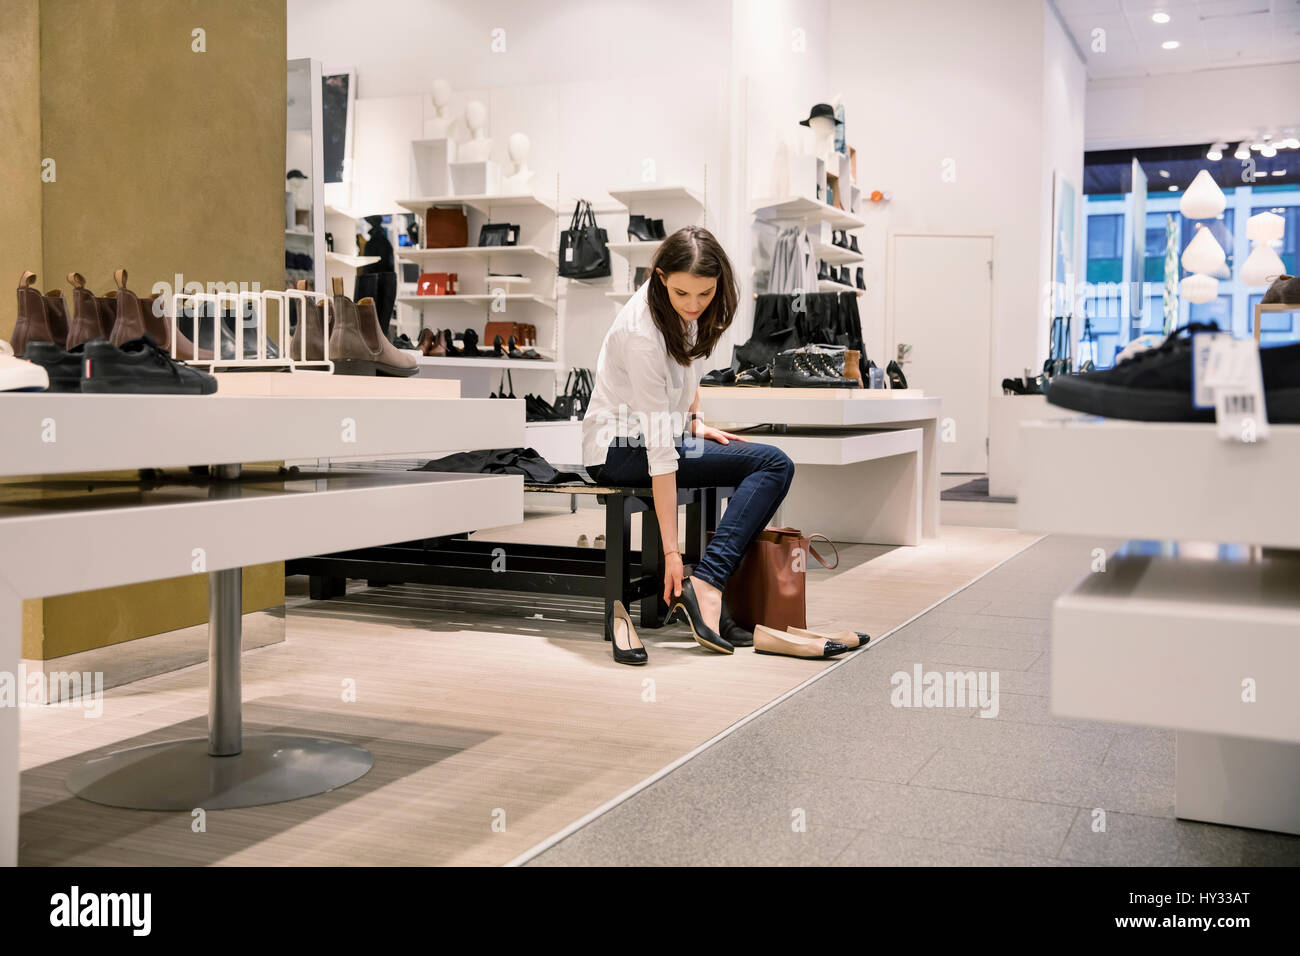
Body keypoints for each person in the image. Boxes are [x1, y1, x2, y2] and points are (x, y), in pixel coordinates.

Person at [583, 226, 795, 664]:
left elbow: (688, 374)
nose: (694, 305)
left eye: (705, 293)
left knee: (768, 462)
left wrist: (695, 423)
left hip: (655, 437)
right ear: (660, 276)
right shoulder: (642, 334)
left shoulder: (687, 312)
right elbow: (661, 457)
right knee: (772, 464)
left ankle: (710, 587)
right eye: (682, 293)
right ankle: (707, 585)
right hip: (618, 450)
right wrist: (672, 553)